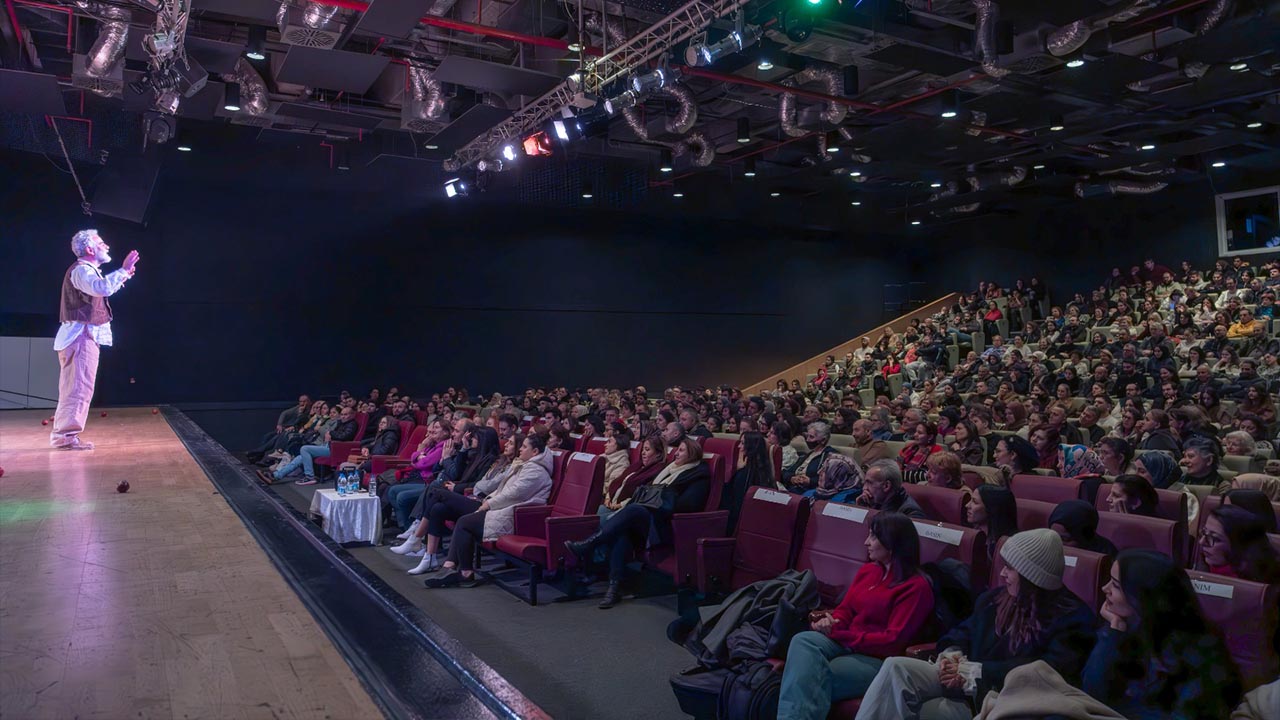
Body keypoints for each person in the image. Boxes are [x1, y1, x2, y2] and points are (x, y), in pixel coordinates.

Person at [855, 529, 1096, 720]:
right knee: (896, 667)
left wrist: (973, 673)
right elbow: (962, 632)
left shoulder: (1073, 619)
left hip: (1004, 699)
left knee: (930, 710)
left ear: (1032, 576)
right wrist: (952, 656)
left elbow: (1044, 675)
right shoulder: (996, 598)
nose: (1002, 574)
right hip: (962, 677)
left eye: (1010, 569)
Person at [778, 514, 935, 720]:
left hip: (877, 658)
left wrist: (841, 634)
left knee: (813, 675)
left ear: (892, 544)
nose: (866, 542)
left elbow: (892, 641)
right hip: (847, 641)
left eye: (873, 537)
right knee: (802, 641)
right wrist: (832, 622)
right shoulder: (869, 570)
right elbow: (845, 609)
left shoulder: (916, 587)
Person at [1082, 550, 1243, 719]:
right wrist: (1114, 630)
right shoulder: (1128, 631)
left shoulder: (1199, 656)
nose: (1104, 588)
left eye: (1115, 585)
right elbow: (1092, 693)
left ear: (1142, 597)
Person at [565, 437, 711, 608]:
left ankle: (589, 545)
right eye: (677, 449)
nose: (676, 453)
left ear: (692, 454)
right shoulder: (669, 470)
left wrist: (665, 494)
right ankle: (614, 586)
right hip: (648, 518)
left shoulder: (699, 475)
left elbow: (689, 505)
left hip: (667, 524)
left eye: (681, 450)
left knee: (634, 509)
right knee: (622, 531)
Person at [423, 433, 554, 588]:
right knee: (440, 507)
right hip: (496, 506)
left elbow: (514, 494)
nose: (520, 449)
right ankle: (450, 566)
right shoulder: (524, 465)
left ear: (535, 452)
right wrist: (487, 500)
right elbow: (500, 489)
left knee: (441, 496)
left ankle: (453, 566)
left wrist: (488, 504)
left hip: (511, 514)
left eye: (524, 447)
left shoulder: (536, 471)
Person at [49, 229, 140, 450]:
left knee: (78, 387)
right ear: (89, 249)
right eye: (101, 242)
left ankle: (65, 436)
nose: (106, 246)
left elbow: (102, 289)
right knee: (78, 388)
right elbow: (102, 289)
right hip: (80, 338)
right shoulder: (81, 271)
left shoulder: (87, 271)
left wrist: (124, 275)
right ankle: (65, 437)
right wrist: (124, 270)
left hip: (82, 338)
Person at [271, 404, 359, 485]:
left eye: (346, 415)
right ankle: (277, 475)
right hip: (329, 446)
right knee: (300, 457)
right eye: (342, 414)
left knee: (304, 449)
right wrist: (330, 433)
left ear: (352, 415)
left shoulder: (352, 424)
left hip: (336, 449)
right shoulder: (341, 423)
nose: (343, 417)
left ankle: (309, 477)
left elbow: (344, 436)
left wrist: (330, 433)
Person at [1195, 505, 1280, 583]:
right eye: (1204, 532)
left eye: (1215, 538)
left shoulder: (1265, 587)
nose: (1202, 542)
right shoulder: (1199, 570)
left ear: (1239, 546)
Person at [724, 431, 774, 532]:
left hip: (735, 525)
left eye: (742, 443)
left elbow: (733, 503)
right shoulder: (764, 471)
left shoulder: (745, 474)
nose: (738, 446)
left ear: (751, 447)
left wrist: (739, 471)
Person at [855, 460, 925, 518]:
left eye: (869, 483)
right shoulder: (875, 502)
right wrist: (863, 511)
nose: (864, 488)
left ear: (886, 486)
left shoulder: (911, 514)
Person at [1049, 500, 1119, 556]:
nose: (1056, 545)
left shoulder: (1106, 559)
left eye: (1065, 539)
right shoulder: (1046, 549)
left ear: (1084, 538)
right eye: (1053, 537)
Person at [965, 485, 1018, 560]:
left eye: (975, 502)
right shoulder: (971, 534)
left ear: (992, 509)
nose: (967, 505)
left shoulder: (1008, 548)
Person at [784, 421, 837, 493]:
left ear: (823, 440)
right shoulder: (806, 455)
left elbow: (830, 479)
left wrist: (810, 481)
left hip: (811, 492)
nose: (807, 440)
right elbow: (787, 472)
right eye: (807, 436)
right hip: (793, 488)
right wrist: (792, 478)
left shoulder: (831, 456)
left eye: (811, 437)